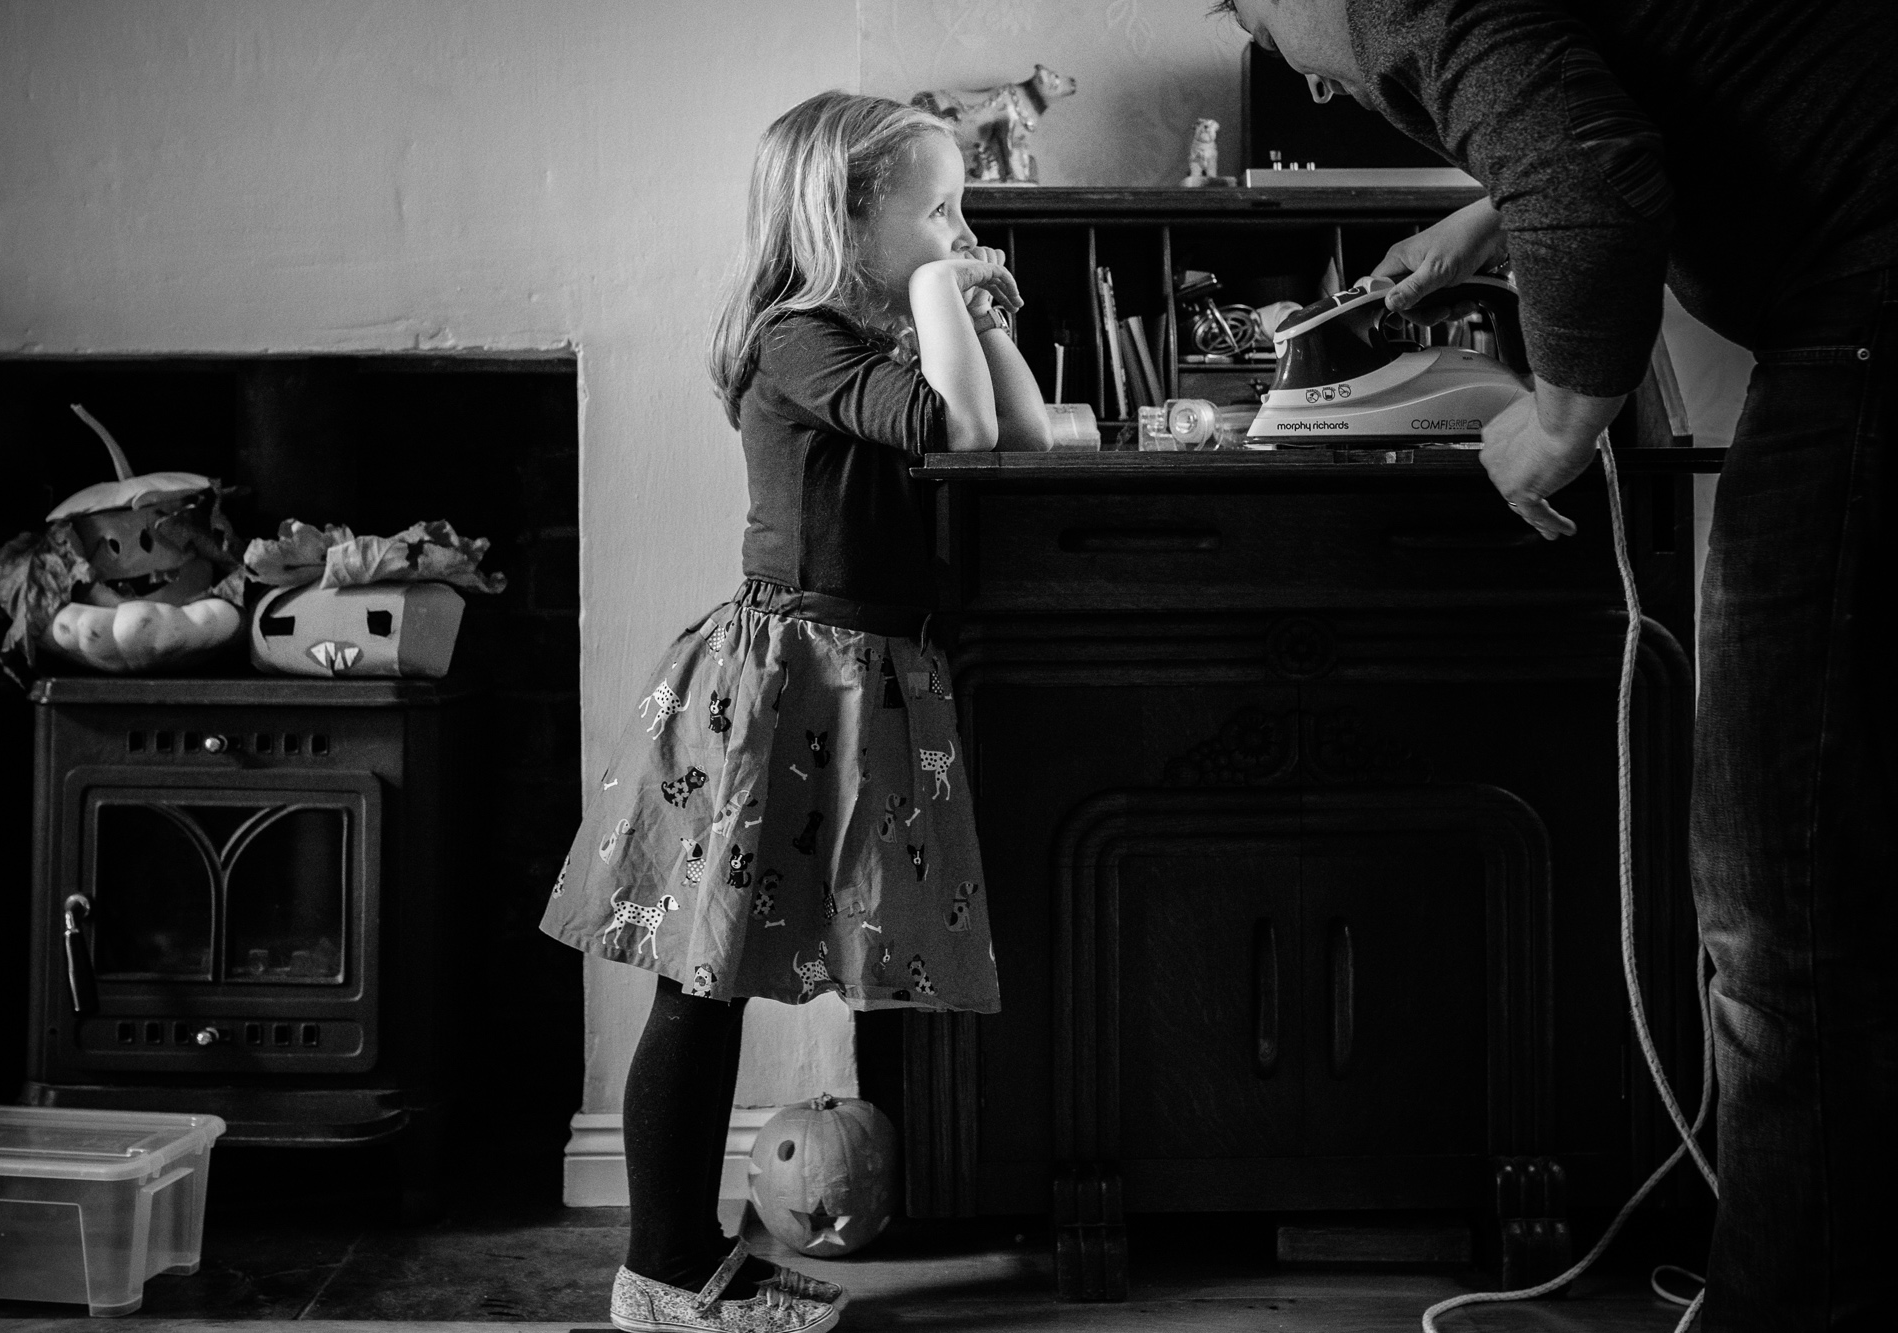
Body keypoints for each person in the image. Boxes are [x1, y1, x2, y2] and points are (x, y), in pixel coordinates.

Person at [1214, 2, 1897, 1328]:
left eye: (1287, 50)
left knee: (1782, 896)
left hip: (1865, 314)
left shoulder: (1353, 1)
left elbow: (1589, 166)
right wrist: (1485, 219)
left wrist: (1561, 415)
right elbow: (1626, 105)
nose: (1322, 82)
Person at [539, 90, 1049, 1333]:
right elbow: (956, 423)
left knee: (742, 970)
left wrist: (968, 306)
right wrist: (947, 300)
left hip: (855, 676)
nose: (962, 229)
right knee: (702, 977)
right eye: (939, 209)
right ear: (848, 214)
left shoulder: (871, 339)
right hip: (779, 684)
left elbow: (1015, 437)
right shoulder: (798, 338)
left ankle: (692, 1263)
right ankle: (659, 1269)